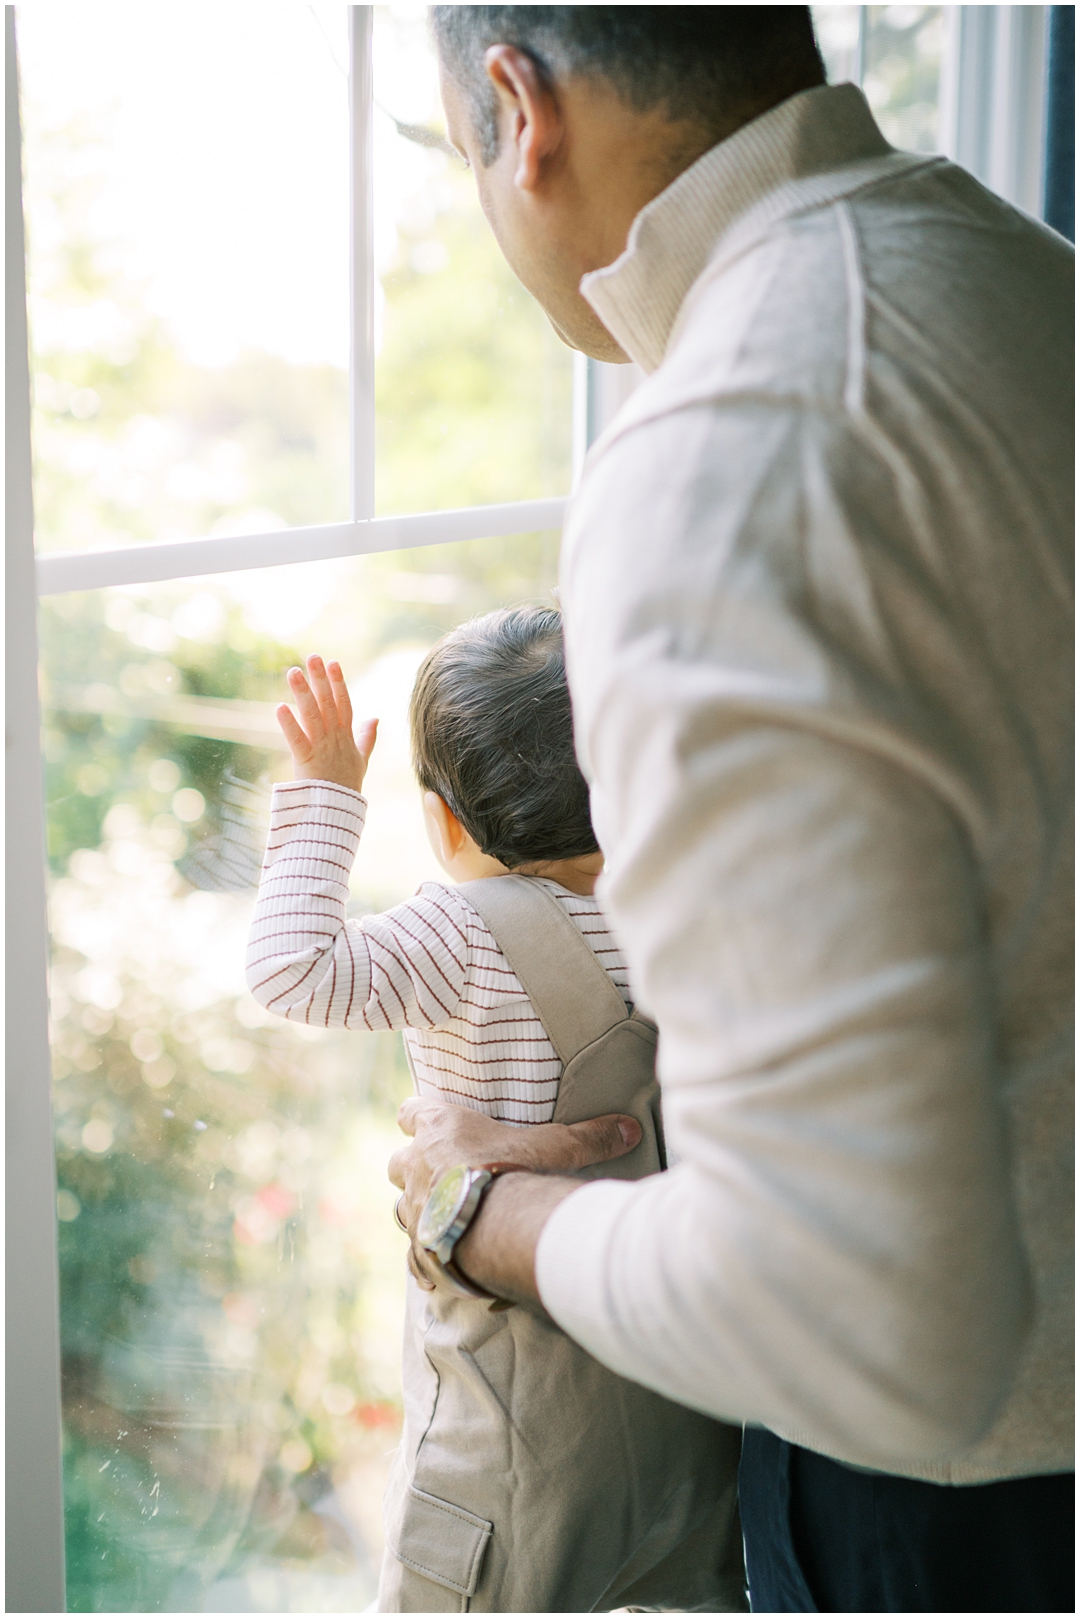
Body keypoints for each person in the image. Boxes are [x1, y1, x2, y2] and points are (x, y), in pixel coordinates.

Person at [389, 7, 1075, 1612]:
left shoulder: (720, 454)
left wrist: (499, 1215)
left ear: (519, 109)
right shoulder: (1025, 275)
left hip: (966, 1503)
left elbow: (862, 1324)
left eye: (457, 158)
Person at [245, 614, 747, 1613]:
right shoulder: (699, 908)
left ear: (447, 825)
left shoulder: (460, 933)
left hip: (516, 1420)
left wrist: (324, 794)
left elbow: (290, 971)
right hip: (688, 1390)